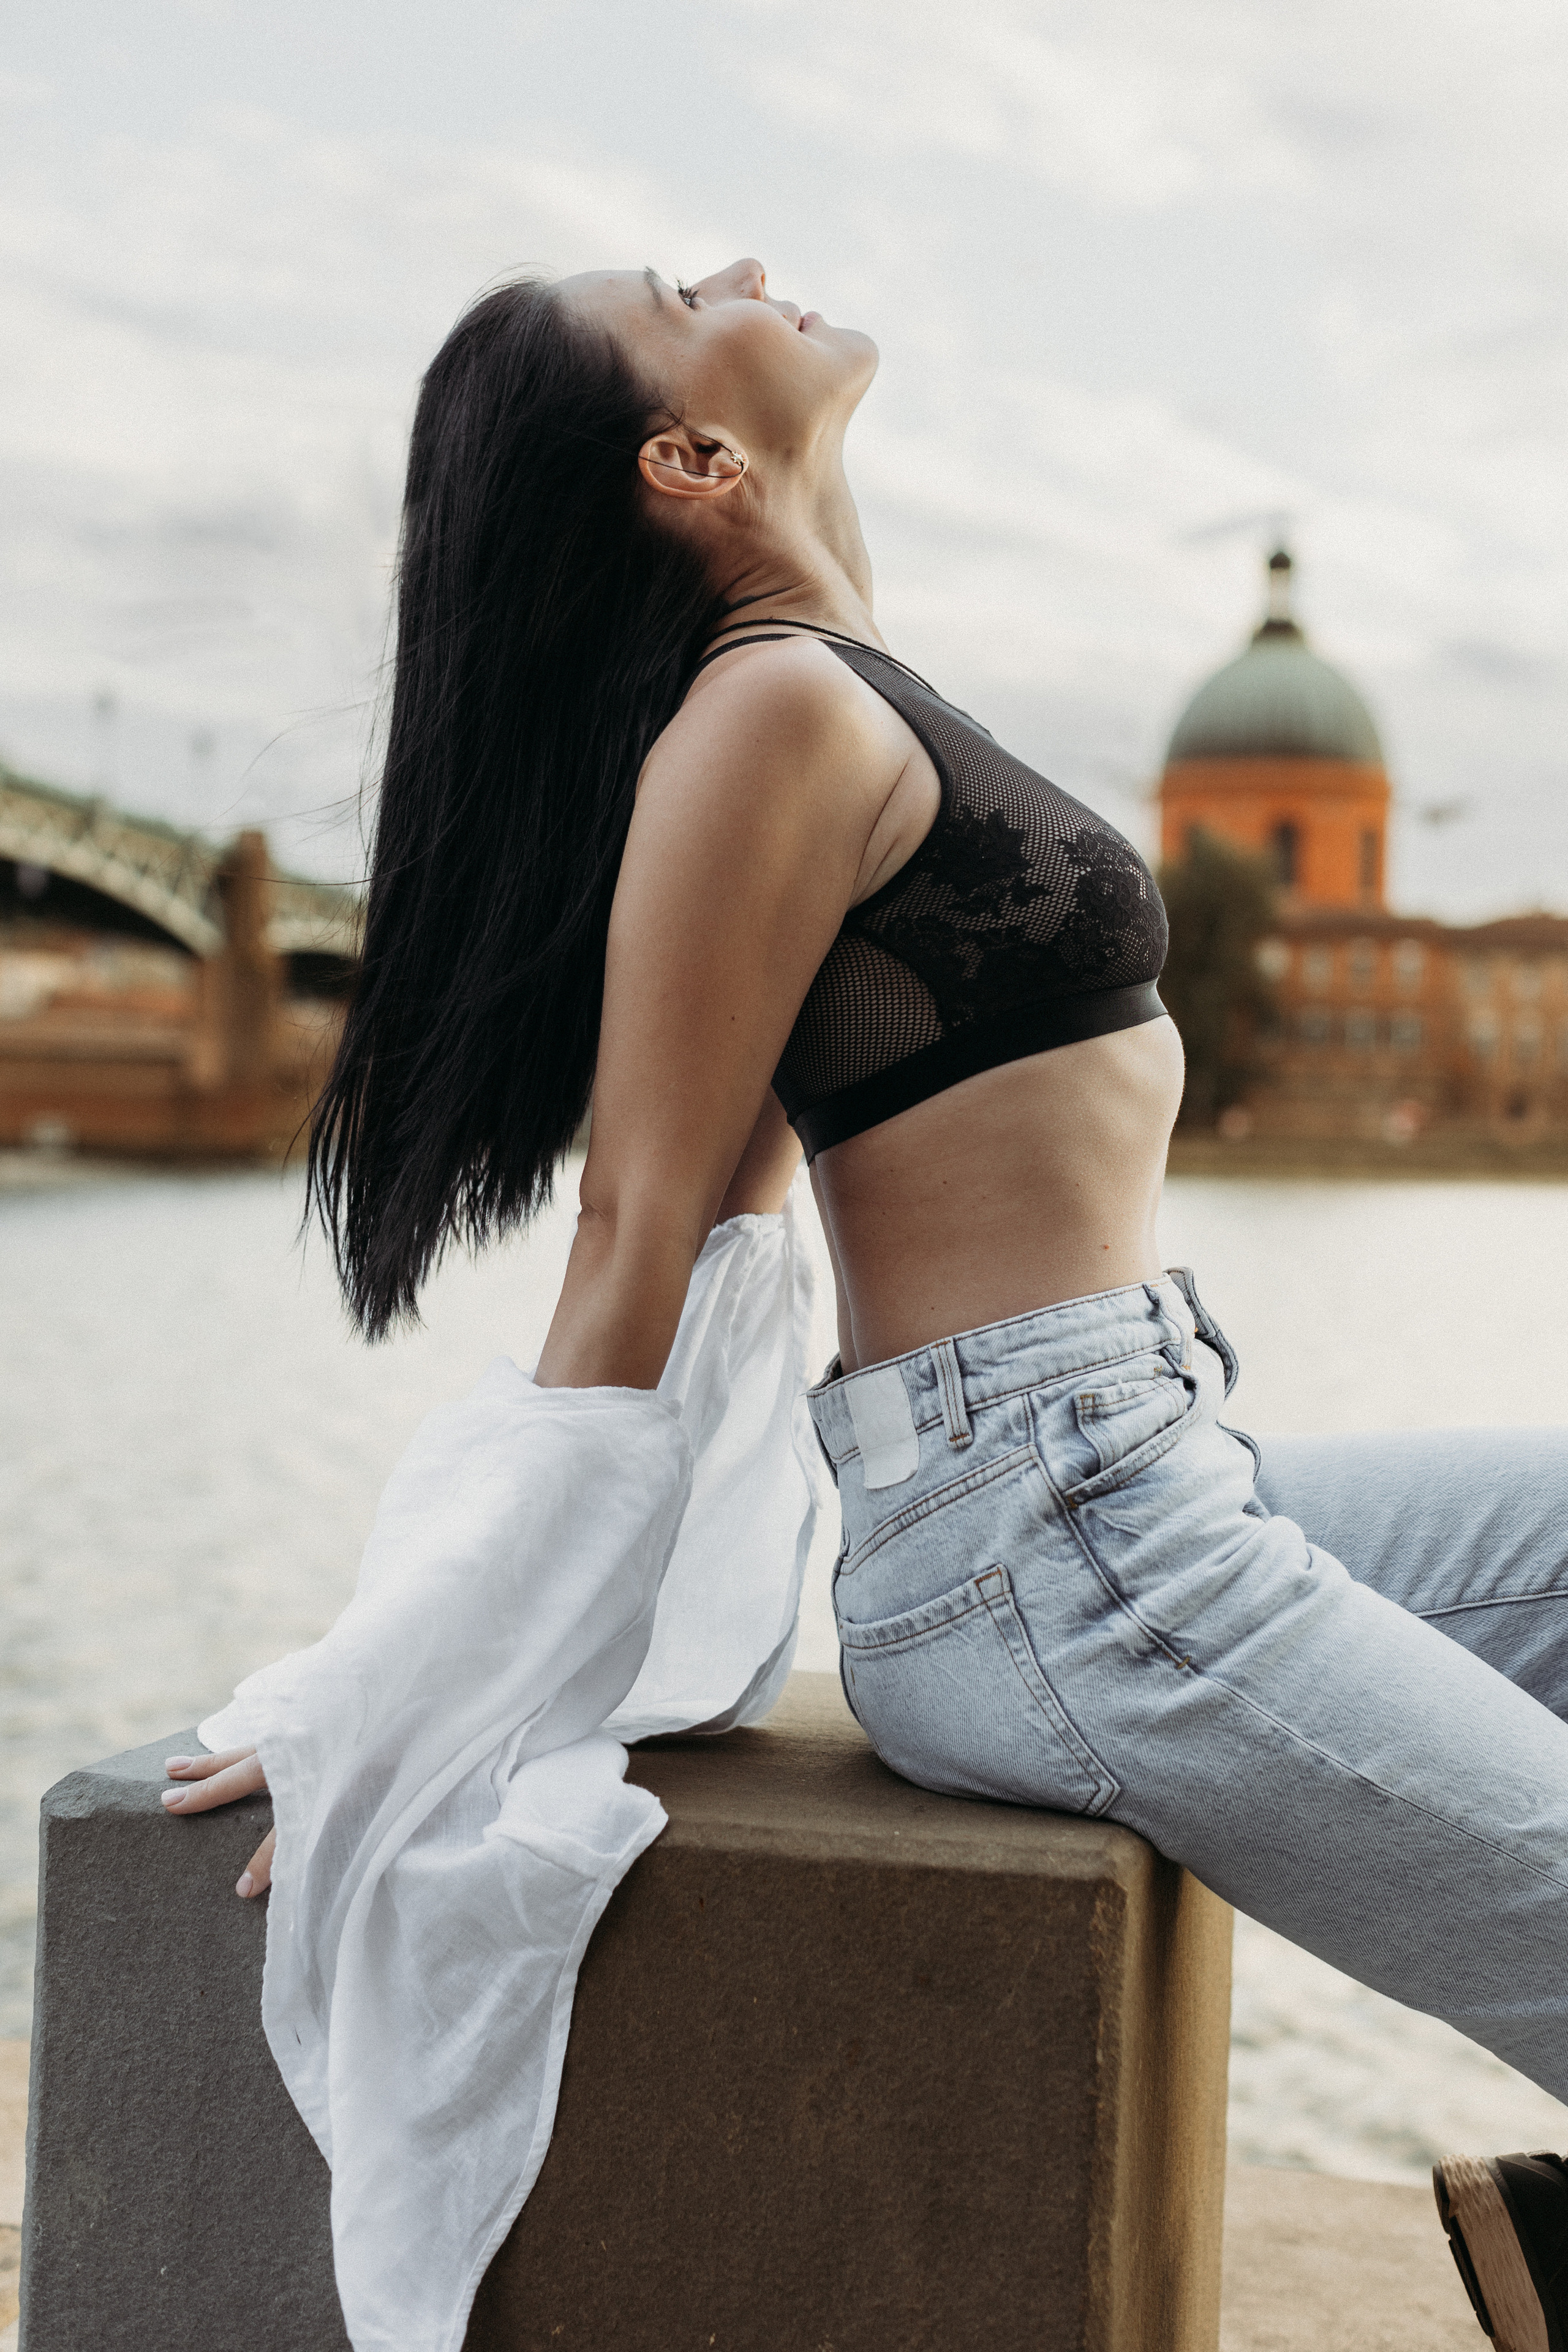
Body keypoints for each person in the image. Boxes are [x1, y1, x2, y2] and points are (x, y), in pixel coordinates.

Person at [161, 256, 1568, 2345]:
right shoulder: (768, 716)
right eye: (677, 292)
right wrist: (424, 1669)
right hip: (1057, 1550)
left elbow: (729, 1218)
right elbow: (644, 1224)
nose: (738, 270)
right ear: (689, 457)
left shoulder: (832, 683)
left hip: (1150, 1471)